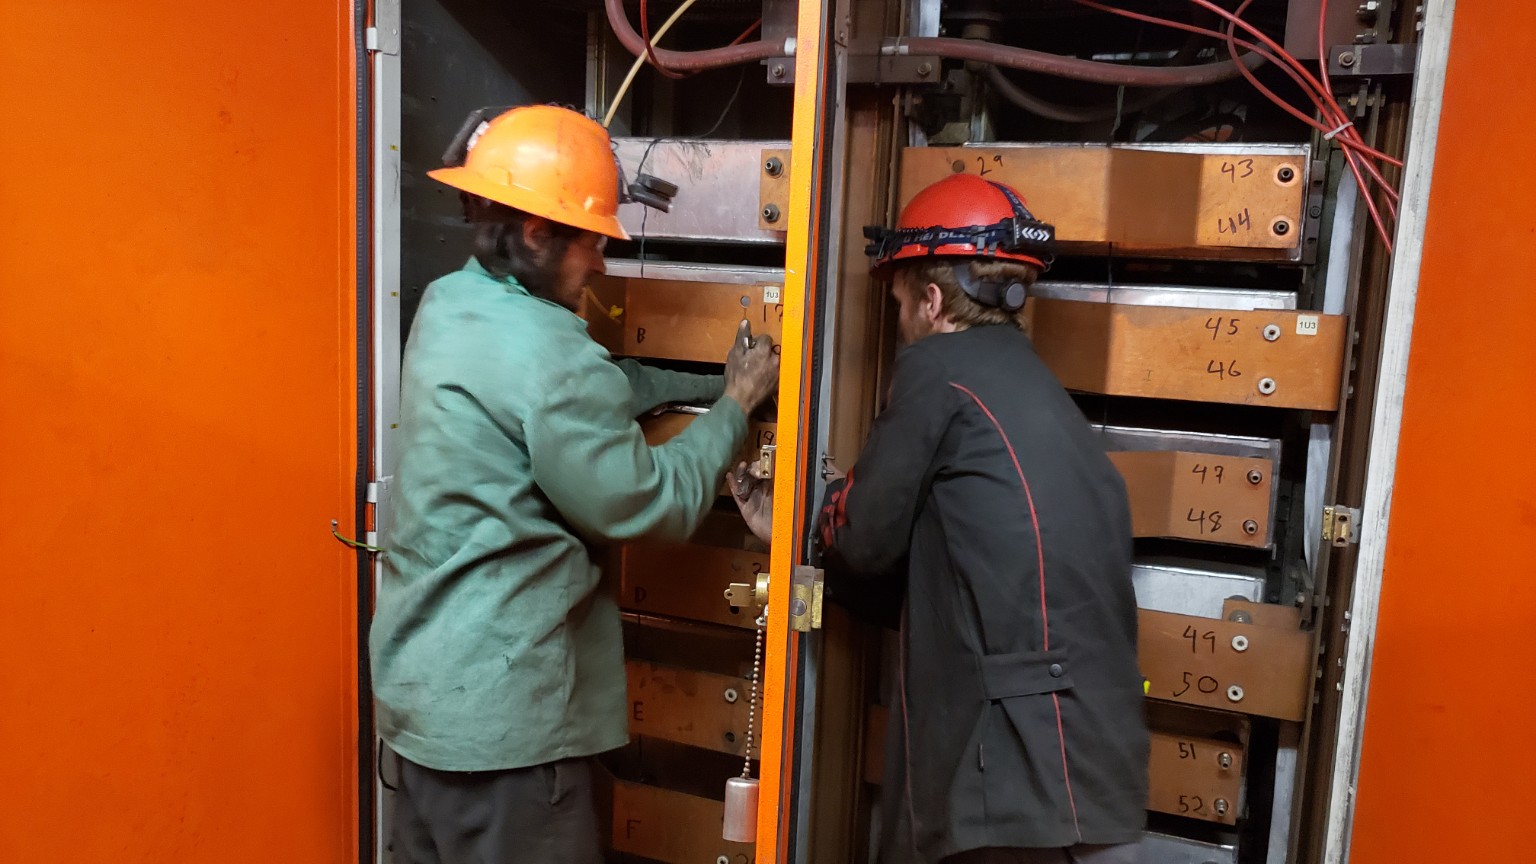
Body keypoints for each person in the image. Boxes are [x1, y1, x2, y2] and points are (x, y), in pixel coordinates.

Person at [371, 104, 780, 864]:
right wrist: (733, 406)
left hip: (424, 712)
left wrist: (670, 380)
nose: (601, 262)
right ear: (535, 233)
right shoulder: (554, 356)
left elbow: (567, 395)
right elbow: (648, 504)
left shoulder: (451, 304)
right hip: (509, 742)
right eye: (594, 239)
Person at [731, 173, 1147, 864]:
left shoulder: (940, 371)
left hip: (1003, 767)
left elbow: (863, 540)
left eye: (898, 303)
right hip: (1079, 767)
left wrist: (815, 509)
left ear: (931, 300)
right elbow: (958, 579)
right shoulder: (1040, 396)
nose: (899, 325)